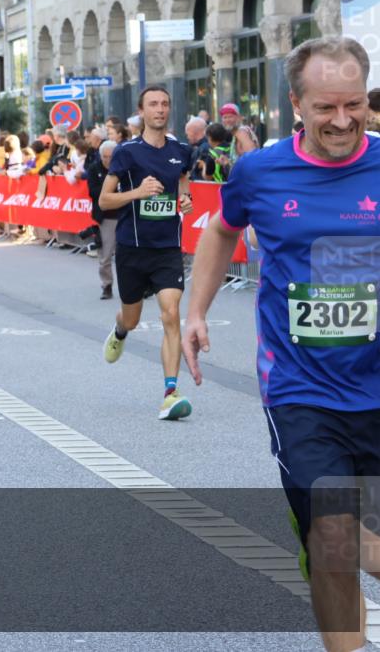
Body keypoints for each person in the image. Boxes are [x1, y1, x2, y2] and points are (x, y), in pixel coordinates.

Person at [183, 37, 379, 652]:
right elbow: (220, 231)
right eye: (326, 108)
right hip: (301, 389)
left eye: (354, 105)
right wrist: (195, 310)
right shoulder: (259, 172)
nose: (342, 121)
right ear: (296, 103)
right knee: (339, 542)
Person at [99, 86, 194, 421]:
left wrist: (185, 198)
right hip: (132, 248)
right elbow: (104, 200)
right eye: (154, 104)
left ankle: (171, 393)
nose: (161, 109)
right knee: (133, 317)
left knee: (171, 313)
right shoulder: (127, 152)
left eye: (166, 104)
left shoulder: (181, 150)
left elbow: (183, 183)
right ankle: (121, 331)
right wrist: (137, 192)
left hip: (167, 247)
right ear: (142, 111)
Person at [87, 140, 120, 298]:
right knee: (105, 255)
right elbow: (93, 192)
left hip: (123, 214)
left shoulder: (122, 167)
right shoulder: (94, 168)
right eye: (105, 157)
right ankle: (107, 285)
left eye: (111, 156)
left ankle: (136, 285)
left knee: (129, 254)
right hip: (106, 216)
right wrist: (110, 187)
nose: (108, 160)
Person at [184, 116, 209, 180]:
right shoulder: (202, 147)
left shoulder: (204, 149)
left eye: (187, 134)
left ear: (194, 132)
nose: (187, 137)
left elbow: (197, 176)